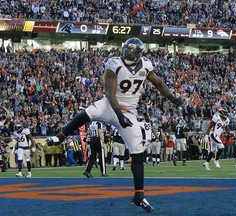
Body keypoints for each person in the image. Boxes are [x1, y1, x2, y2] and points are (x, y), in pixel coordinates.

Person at [46, 37, 182, 212]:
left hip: (129, 111)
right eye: (126, 48)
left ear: (139, 53)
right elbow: (110, 93)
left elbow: (159, 83)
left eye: (131, 50)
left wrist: (171, 97)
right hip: (111, 106)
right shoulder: (114, 63)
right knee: (87, 113)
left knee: (138, 152)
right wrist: (119, 115)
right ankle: (60, 137)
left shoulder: (146, 65)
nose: (127, 52)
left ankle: (139, 195)